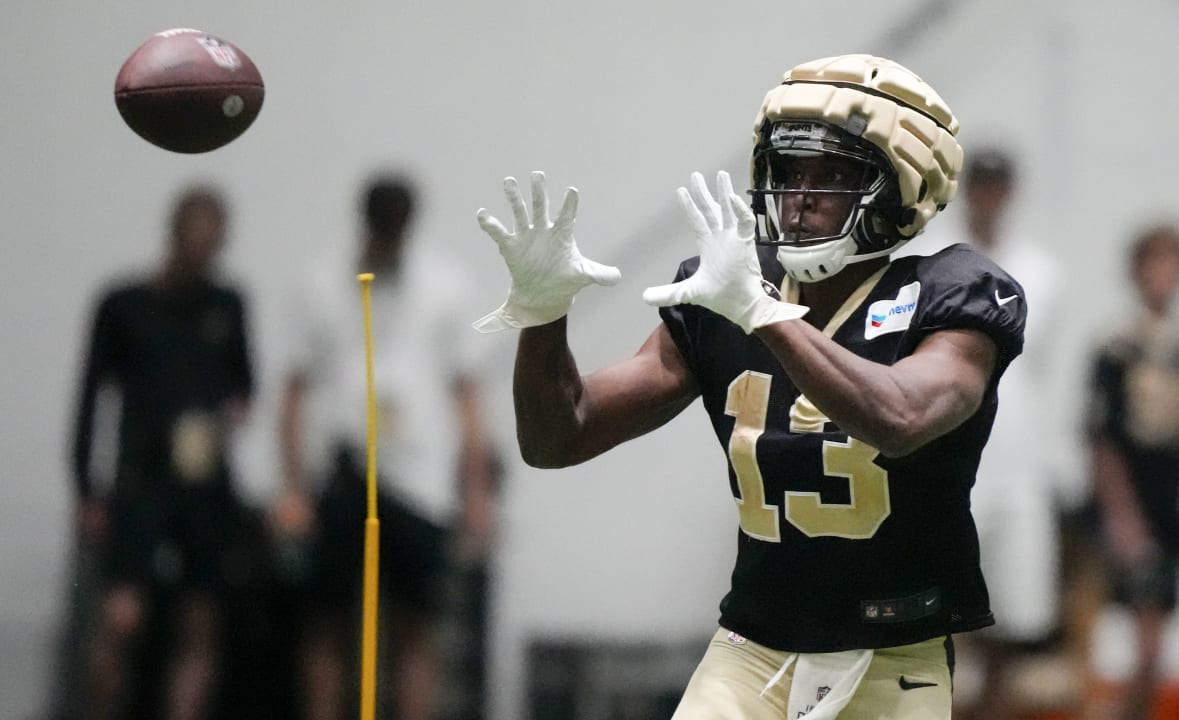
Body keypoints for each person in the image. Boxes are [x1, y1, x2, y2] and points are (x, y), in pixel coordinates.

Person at [473, 54, 1026, 720]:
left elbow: (900, 418)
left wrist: (766, 317)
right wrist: (544, 315)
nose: (802, 193)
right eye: (791, 171)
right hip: (750, 653)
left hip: (893, 658)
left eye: (834, 173)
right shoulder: (729, 291)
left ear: (900, 186)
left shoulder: (951, 293)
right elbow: (561, 435)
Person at [275, 173, 495, 720]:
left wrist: (475, 492)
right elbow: (295, 393)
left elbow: (465, 393)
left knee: (416, 624)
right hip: (342, 473)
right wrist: (293, 489)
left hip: (419, 482)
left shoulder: (446, 284)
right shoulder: (322, 282)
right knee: (327, 622)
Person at [70, 185, 255, 720]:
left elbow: (245, 383)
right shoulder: (124, 305)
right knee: (121, 617)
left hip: (204, 483)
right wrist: (87, 486)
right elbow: (89, 399)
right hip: (139, 480)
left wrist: (228, 416)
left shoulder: (227, 305)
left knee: (200, 623)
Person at [899, 147, 1072, 719]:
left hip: (1016, 459)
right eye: (982, 184)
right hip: (943, 453)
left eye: (1000, 184)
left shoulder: (1041, 271)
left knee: (1008, 610)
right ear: (967, 189)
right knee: (937, 602)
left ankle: (990, 710)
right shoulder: (928, 257)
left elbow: (1038, 368)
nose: (990, 195)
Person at [1082, 224, 1179, 719]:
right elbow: (1100, 436)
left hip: (1177, 502)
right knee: (1129, 641)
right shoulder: (1117, 345)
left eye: (1172, 264)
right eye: (1153, 263)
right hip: (1128, 503)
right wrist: (1122, 516)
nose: (1162, 276)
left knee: (1160, 643)